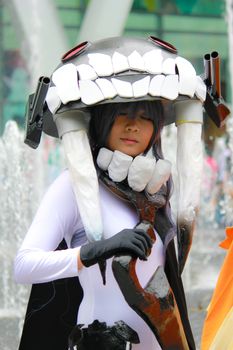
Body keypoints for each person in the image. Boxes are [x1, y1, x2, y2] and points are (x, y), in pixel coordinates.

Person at [15, 35, 216, 349]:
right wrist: (93, 251)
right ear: (101, 120)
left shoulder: (157, 190)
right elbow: (24, 266)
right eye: (123, 114)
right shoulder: (72, 186)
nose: (133, 126)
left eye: (145, 116)